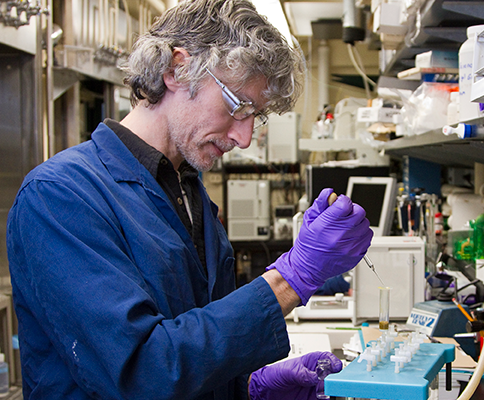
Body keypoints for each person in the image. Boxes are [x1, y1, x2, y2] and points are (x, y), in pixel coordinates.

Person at [6, 1, 373, 399]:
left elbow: (194, 337)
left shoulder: (188, 190)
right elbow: (142, 373)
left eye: (257, 116)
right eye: (238, 106)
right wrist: (290, 279)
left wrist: (249, 386)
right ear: (176, 69)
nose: (244, 138)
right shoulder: (61, 196)